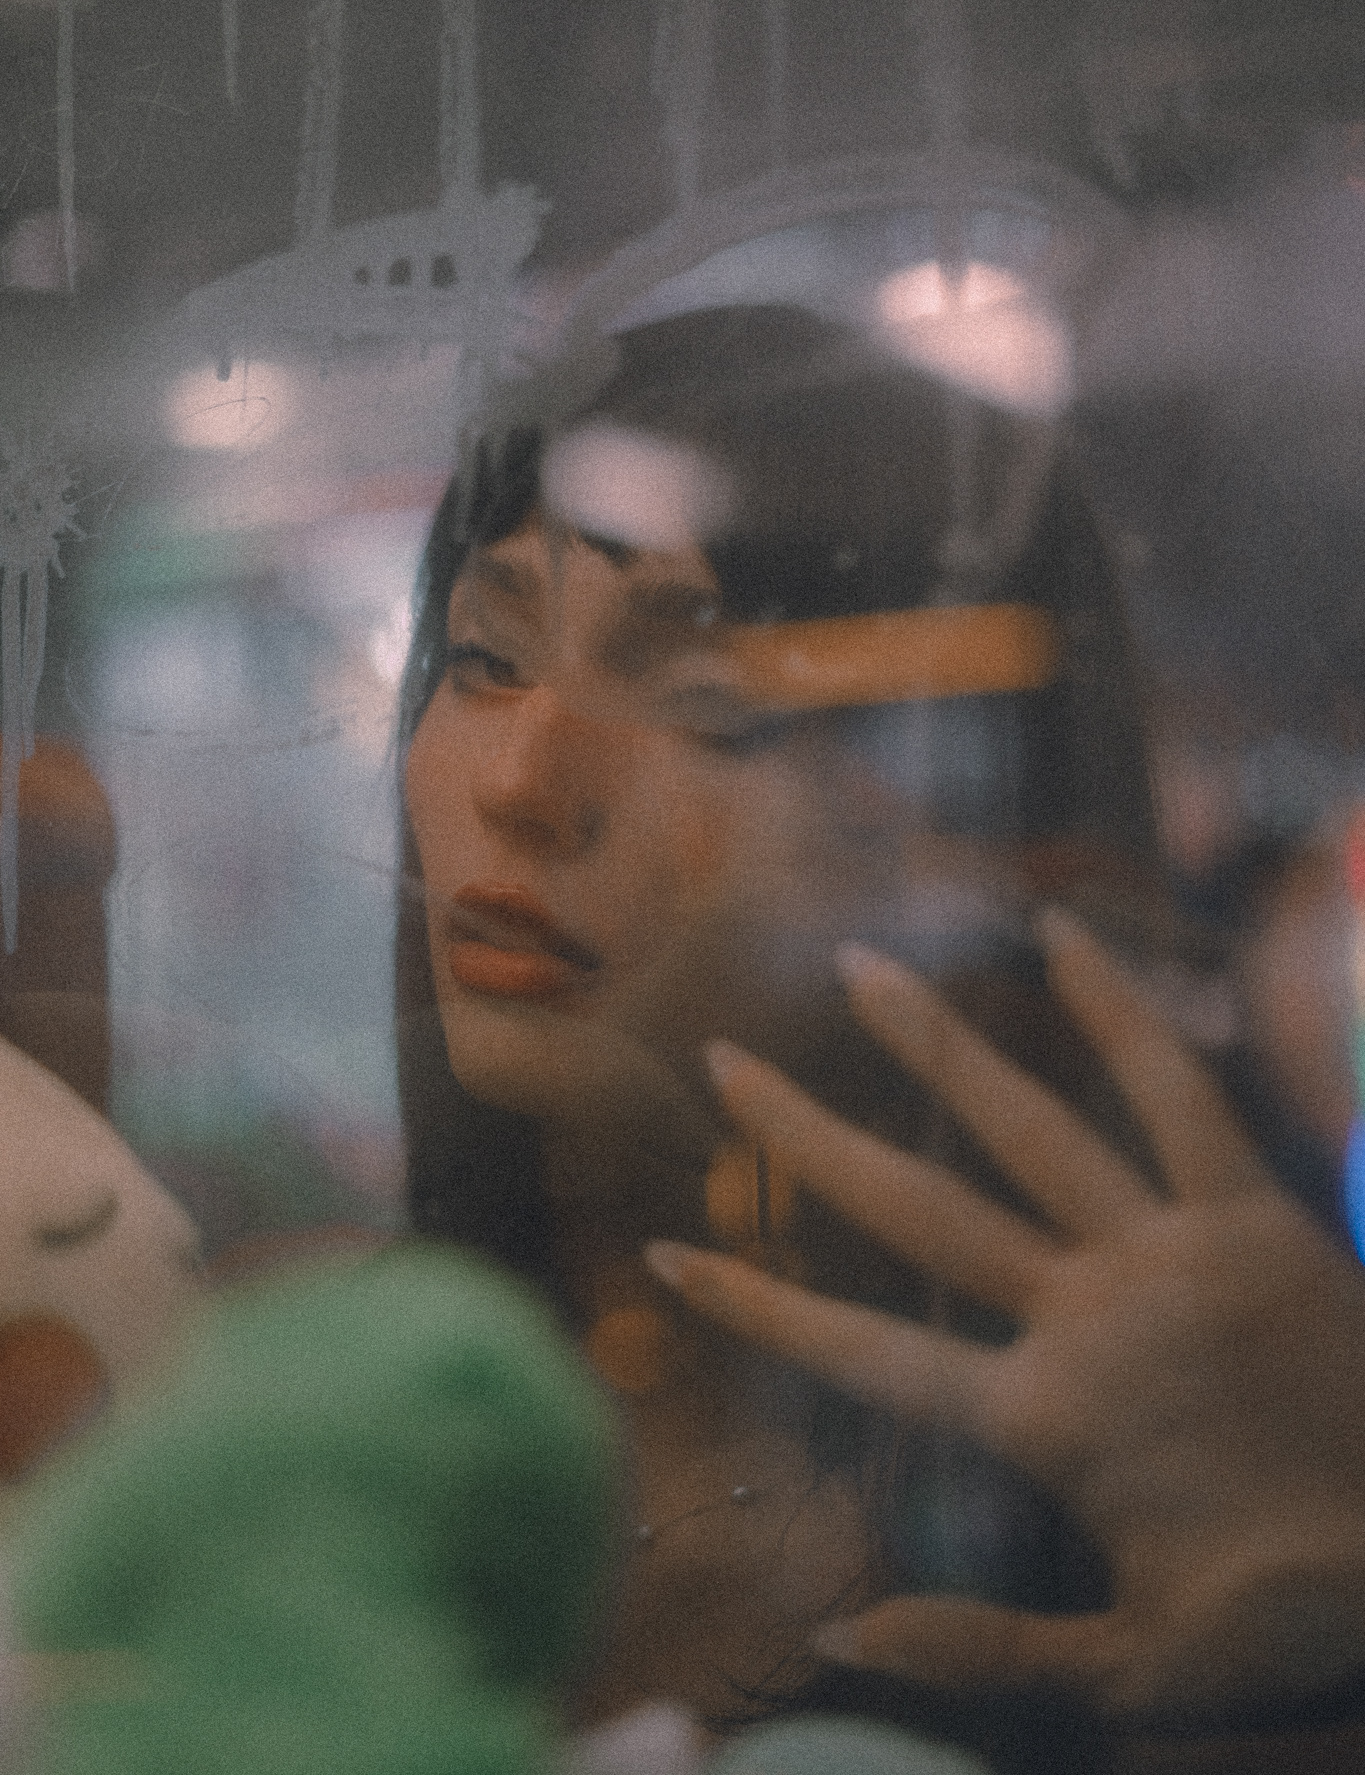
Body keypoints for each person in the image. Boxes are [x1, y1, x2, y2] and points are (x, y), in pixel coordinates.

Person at [393, 298, 1365, 1772]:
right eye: (483, 660)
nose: (524, 781)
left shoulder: (1161, 1417)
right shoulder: (313, 1391)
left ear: (953, 822)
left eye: (705, 702)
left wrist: (1307, 1671)